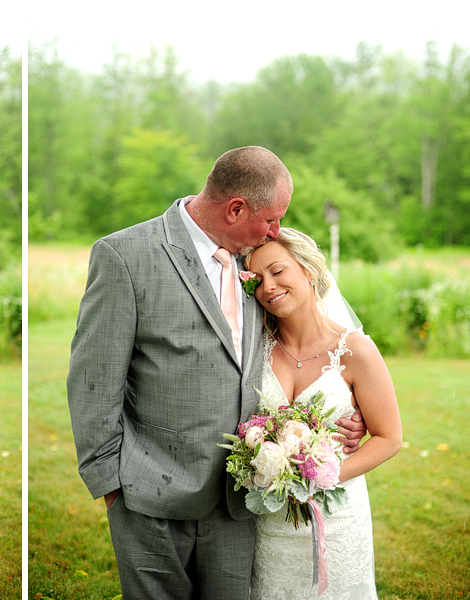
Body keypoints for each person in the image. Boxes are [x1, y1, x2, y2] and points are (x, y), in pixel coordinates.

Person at [66, 146, 367, 599]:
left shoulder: (259, 264)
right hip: (149, 496)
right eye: (272, 218)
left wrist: (345, 413)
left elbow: (301, 349)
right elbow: (93, 380)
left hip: (239, 502)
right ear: (236, 208)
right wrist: (112, 485)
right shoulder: (125, 255)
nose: (277, 230)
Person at [244, 228, 401, 598]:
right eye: (258, 280)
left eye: (278, 271)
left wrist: (316, 478)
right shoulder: (252, 348)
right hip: (268, 519)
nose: (268, 287)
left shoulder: (356, 351)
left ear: (309, 270)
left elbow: (389, 438)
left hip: (337, 515)